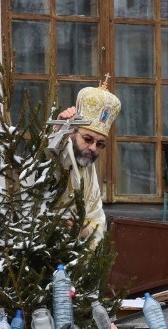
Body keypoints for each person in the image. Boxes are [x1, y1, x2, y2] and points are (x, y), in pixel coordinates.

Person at [52, 77, 121, 246]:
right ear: (72, 133)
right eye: (88, 139)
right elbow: (48, 155)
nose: (93, 148)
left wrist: (82, 232)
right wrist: (58, 131)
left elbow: (97, 220)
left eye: (100, 144)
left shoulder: (88, 168)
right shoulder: (62, 151)